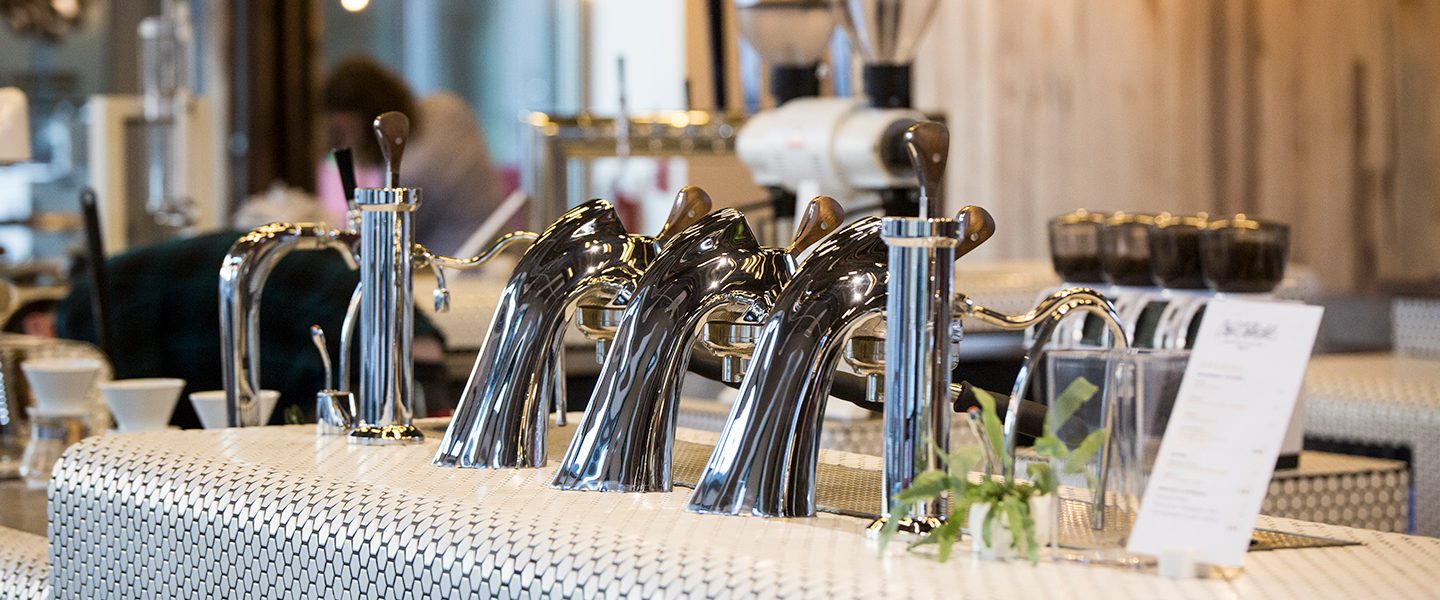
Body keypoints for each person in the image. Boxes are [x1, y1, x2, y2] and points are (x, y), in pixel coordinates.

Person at [54, 231, 450, 428]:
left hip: (379, 338)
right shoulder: (118, 283)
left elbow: (140, 401)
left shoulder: (81, 310)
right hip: (401, 334)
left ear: (34, 322)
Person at [318, 57, 509, 256]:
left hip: (459, 264)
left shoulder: (407, 173)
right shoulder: (446, 106)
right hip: (500, 251)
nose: (346, 143)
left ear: (368, 123)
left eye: (343, 132)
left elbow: (378, 246)